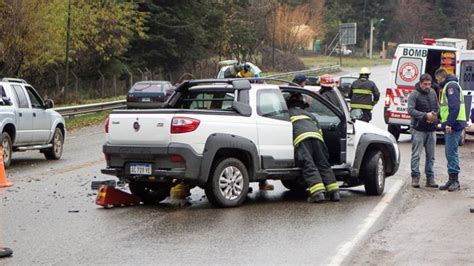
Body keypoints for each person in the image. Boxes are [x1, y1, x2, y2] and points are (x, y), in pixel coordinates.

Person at [287, 93, 340, 203]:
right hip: (317, 138)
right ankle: (334, 192)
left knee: (309, 165)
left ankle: (317, 194)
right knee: (323, 164)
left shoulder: (287, 114)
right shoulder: (309, 115)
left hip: (301, 140)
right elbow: (319, 130)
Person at [435, 68, 467, 191]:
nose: (437, 82)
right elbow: (446, 108)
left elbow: (454, 107)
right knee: (449, 152)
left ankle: (455, 181)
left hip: (454, 124)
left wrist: (449, 123)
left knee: (451, 152)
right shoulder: (450, 85)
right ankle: (451, 179)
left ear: (441, 77)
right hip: (454, 123)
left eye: (437, 80)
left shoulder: (450, 86)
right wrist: (438, 116)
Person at [407, 73, 439, 188]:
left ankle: (430, 179)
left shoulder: (433, 92)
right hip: (418, 130)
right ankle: (415, 177)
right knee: (416, 155)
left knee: (431, 156)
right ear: (420, 83)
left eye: (429, 84)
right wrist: (425, 116)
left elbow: (437, 107)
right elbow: (410, 110)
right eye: (425, 84)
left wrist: (434, 116)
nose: (427, 86)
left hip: (431, 129)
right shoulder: (414, 94)